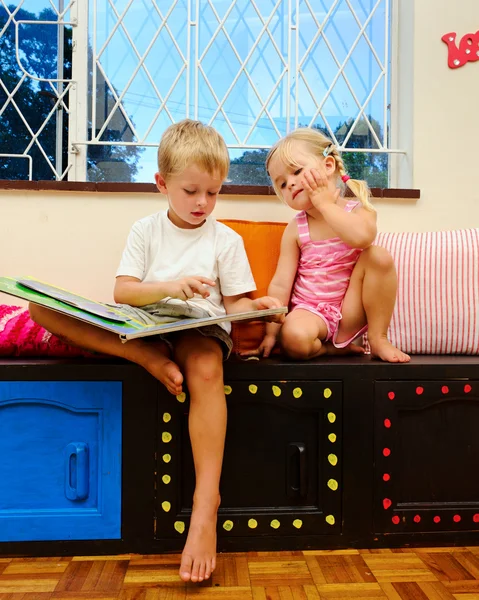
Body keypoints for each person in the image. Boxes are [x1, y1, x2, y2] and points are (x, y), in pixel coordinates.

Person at [28, 119, 285, 583]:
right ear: (162, 183)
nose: (202, 203)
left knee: (206, 366)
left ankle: (206, 506)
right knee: (41, 309)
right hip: (145, 329)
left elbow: (235, 306)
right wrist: (170, 289)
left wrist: (258, 308)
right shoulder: (146, 230)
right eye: (190, 191)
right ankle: (144, 358)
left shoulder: (225, 240)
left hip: (197, 332)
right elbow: (124, 291)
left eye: (212, 192)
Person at [242, 127, 410, 363]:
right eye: (281, 184)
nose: (290, 184)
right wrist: (271, 334)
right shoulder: (296, 229)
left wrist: (324, 205)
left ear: (328, 166)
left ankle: (379, 338)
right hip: (310, 312)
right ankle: (331, 350)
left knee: (379, 256)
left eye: (297, 171)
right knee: (293, 338)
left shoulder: (360, 211)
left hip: (350, 312)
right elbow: (281, 284)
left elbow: (363, 238)